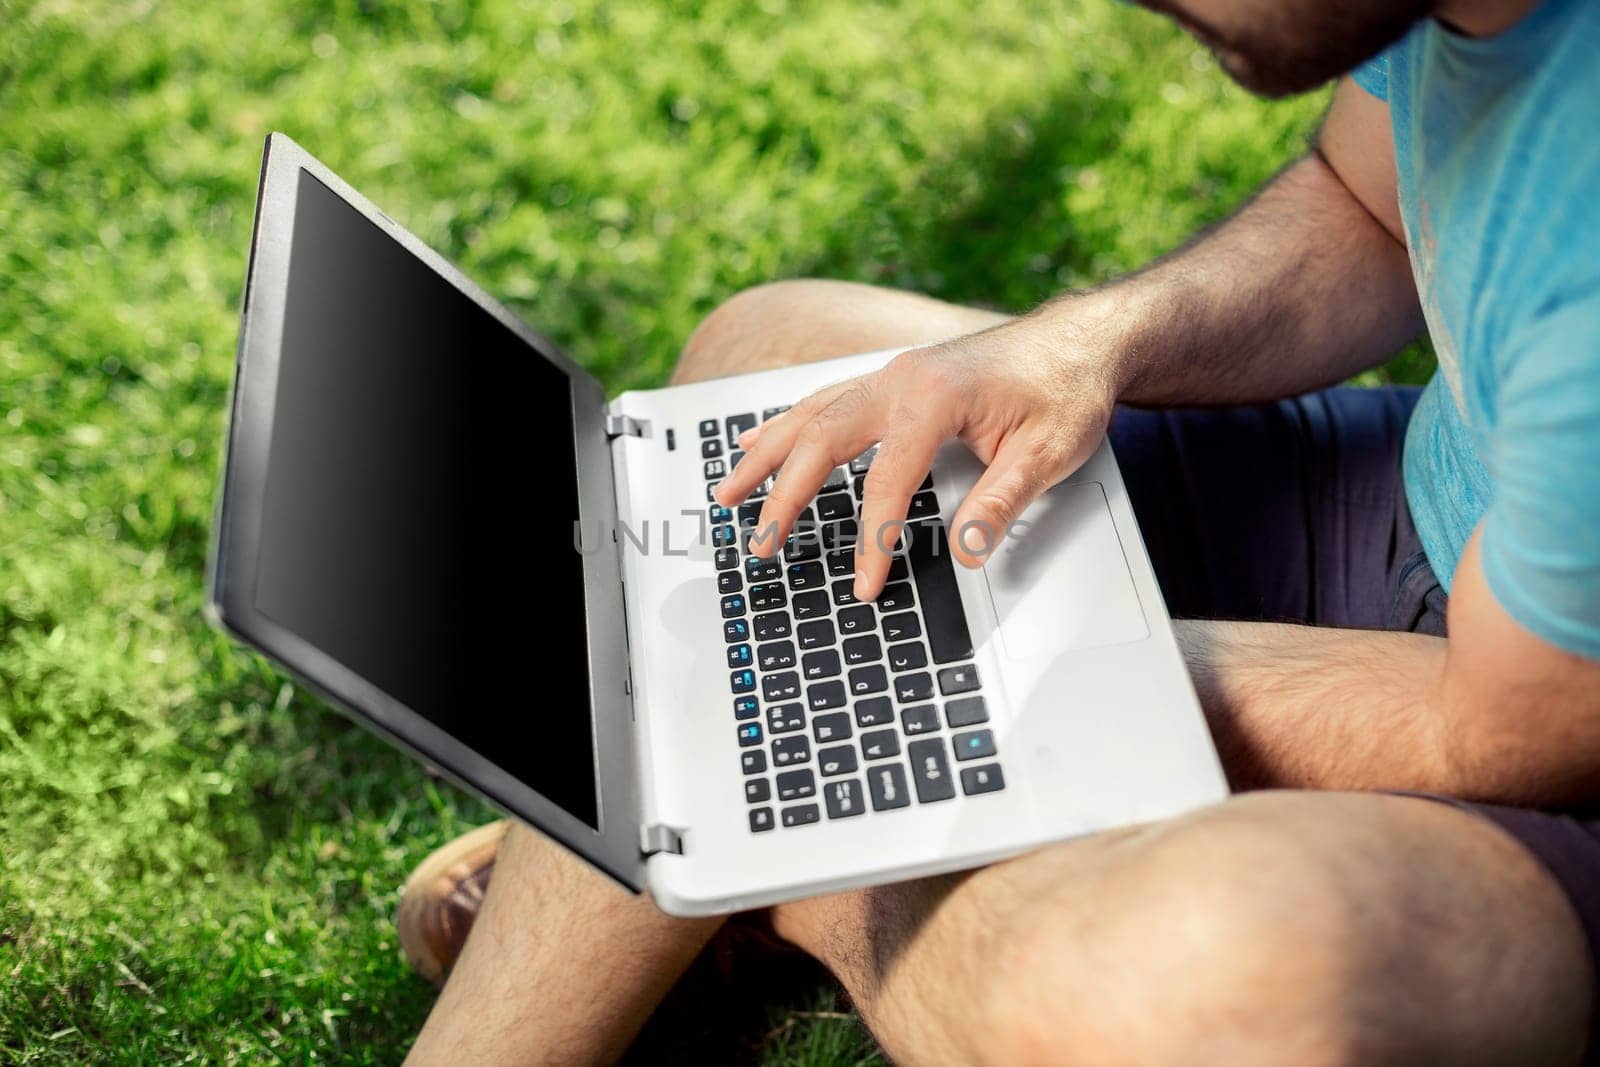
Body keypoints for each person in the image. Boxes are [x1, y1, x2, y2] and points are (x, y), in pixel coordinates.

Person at [399, 0, 1600, 1060]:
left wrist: (1051, 672)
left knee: (1238, 992)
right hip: (1427, 504)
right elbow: (1364, 205)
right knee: (772, 368)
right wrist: (1086, 343)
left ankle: (789, 888)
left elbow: (1503, 732)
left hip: (1539, 740)